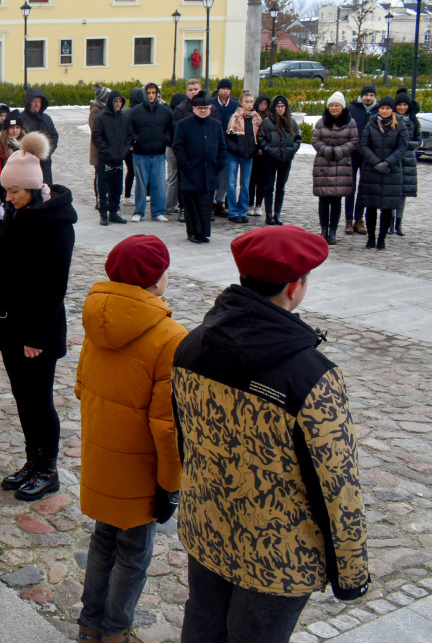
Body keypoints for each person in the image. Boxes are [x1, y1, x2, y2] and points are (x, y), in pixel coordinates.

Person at [173, 225, 370, 643]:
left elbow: (186, 441)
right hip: (279, 553)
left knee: (202, 626)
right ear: (295, 288)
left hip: (208, 525)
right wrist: (350, 574)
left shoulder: (191, 347)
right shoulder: (312, 377)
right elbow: (338, 486)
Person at [75, 235, 186, 643]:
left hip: (103, 455)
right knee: (134, 554)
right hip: (141, 465)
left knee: (103, 539)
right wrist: (170, 486)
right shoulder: (170, 337)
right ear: (157, 280)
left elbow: (81, 386)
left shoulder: (96, 316)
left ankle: (89, 624)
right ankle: (115, 631)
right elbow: (167, 425)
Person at [0, 133, 76, 501]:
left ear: (33, 190)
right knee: (23, 399)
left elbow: (54, 286)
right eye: (6, 192)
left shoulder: (55, 225)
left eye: (14, 192)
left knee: (40, 400)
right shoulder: (16, 214)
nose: (7, 198)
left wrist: (36, 337)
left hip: (37, 331)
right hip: (12, 325)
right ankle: (32, 459)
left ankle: (48, 468)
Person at [173, 92, 225, 244]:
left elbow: (222, 146)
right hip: (191, 171)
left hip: (209, 171)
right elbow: (178, 147)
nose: (203, 111)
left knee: (205, 204)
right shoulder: (183, 124)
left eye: (206, 108)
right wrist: (186, 165)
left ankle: (204, 232)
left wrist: (219, 164)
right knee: (191, 205)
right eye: (200, 108)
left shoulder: (216, 125)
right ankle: (193, 232)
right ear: (194, 108)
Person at [357, 96, 407, 250]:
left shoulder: (400, 124)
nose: (384, 111)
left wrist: (388, 162)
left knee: (387, 207)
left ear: (392, 110)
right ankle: (371, 237)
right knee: (370, 206)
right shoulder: (371, 123)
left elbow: (402, 147)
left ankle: (382, 238)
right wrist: (376, 162)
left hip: (391, 171)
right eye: (382, 108)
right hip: (372, 170)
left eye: (387, 108)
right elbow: (363, 145)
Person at [312, 92, 358, 246]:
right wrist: (326, 150)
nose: (334, 108)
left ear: (342, 107)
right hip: (324, 164)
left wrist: (339, 151)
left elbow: (354, 141)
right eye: (331, 105)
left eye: (337, 105)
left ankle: (333, 231)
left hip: (341, 164)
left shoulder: (350, 123)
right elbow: (315, 140)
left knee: (336, 200)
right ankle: (324, 229)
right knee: (323, 200)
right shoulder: (321, 122)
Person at [127, 81, 172, 223]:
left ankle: (158, 211)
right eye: (148, 93)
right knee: (141, 183)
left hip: (158, 152)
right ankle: (139, 211)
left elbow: (170, 128)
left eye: (153, 92)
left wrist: (165, 140)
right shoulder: (136, 111)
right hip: (140, 153)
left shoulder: (164, 111)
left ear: (157, 94)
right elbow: (129, 128)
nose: (151, 95)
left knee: (158, 183)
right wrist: (135, 139)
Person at [257, 95, 301, 226]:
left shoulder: (291, 122)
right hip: (270, 159)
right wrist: (268, 149)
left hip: (285, 159)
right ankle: (269, 214)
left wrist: (292, 149)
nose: (280, 109)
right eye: (278, 106)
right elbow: (261, 138)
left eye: (282, 106)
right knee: (269, 187)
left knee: (280, 188)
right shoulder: (267, 122)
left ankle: (277, 213)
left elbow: (298, 138)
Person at [92, 90, 131, 226]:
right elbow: (97, 137)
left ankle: (114, 212)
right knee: (103, 187)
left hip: (119, 159)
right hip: (105, 159)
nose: (118, 104)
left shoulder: (124, 117)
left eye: (120, 101)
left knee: (117, 187)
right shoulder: (101, 118)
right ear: (110, 102)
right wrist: (107, 152)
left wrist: (123, 151)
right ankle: (103, 213)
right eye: (116, 101)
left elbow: (128, 136)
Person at [224, 90, 261, 224]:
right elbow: (228, 137)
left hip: (248, 155)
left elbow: (259, 137)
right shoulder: (234, 117)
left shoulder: (256, 118)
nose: (249, 104)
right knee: (232, 183)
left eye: (251, 102)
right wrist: (235, 149)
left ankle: (242, 210)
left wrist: (255, 149)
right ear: (241, 103)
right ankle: (233, 211)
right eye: (247, 102)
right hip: (233, 154)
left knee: (245, 184)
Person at [345, 85, 377, 235]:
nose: (368, 98)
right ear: (362, 95)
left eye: (371, 95)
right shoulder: (352, 108)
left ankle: (359, 219)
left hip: (369, 155)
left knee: (364, 189)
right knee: (350, 188)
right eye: (366, 95)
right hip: (353, 153)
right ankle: (348, 220)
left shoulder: (378, 111)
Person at [210, 79, 239, 217]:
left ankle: (220, 201)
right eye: (223, 88)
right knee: (212, 173)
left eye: (228, 88)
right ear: (218, 90)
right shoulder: (211, 103)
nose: (225, 91)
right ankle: (210, 201)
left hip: (228, 145)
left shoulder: (235, 104)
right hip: (212, 144)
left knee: (225, 176)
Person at [20, 87, 59, 183]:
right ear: (28, 102)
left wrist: (47, 151)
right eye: (34, 101)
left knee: (46, 190)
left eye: (39, 101)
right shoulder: (21, 119)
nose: (37, 104)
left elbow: (54, 136)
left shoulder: (47, 119)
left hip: (45, 163)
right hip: (27, 164)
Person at [393, 93, 419, 236]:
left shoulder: (413, 121)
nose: (402, 107)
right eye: (399, 105)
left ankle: (398, 222)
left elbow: (418, 141)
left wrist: (406, 145)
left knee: (403, 194)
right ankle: (389, 221)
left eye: (405, 105)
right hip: (394, 158)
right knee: (392, 191)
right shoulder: (391, 119)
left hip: (408, 159)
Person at [247, 93, 271, 217]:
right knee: (252, 180)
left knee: (262, 180)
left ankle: (258, 205)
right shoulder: (252, 115)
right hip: (253, 152)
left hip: (265, 153)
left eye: (265, 104)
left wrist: (264, 148)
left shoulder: (270, 118)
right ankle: (250, 203)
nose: (263, 106)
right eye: (261, 103)